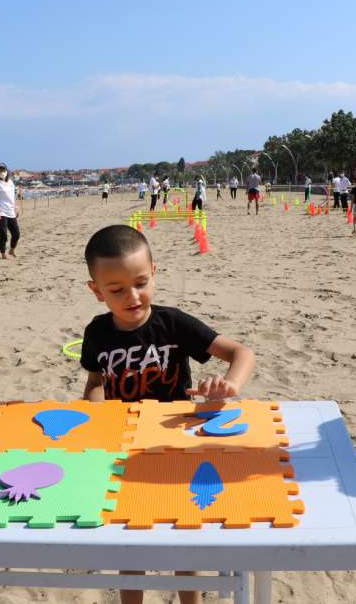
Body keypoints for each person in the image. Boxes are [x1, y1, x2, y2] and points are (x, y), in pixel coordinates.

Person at [80, 225, 256, 604]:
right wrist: (95, 410)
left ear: (154, 273)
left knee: (183, 535)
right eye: (116, 290)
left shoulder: (173, 323)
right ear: (96, 291)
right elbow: (96, 381)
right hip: (125, 445)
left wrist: (230, 385)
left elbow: (242, 354)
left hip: (179, 444)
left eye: (141, 283)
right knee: (131, 540)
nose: (133, 296)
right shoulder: (97, 333)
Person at [0, 163, 19, 260]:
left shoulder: (10, 182)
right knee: (3, 235)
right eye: (0, 171)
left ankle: (11, 249)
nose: (2, 172)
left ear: (7, 171)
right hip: (1, 211)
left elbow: (12, 197)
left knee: (16, 234)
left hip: (11, 211)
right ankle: (3, 254)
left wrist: (15, 208)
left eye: (3, 170)